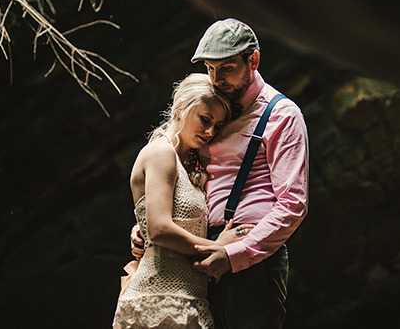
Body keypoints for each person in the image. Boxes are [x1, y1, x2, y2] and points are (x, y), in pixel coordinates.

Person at [132, 18, 310, 328]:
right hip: (194, 253)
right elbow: (177, 178)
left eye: (226, 68)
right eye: (210, 69)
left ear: (252, 60)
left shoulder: (281, 114)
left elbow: (292, 203)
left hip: (250, 255)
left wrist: (233, 255)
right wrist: (147, 226)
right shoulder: (208, 108)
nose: (216, 79)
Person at [113, 73, 254, 329]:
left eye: (218, 125)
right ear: (180, 109)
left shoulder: (191, 165)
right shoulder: (161, 152)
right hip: (160, 299)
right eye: (205, 119)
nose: (211, 131)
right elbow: (158, 229)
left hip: (190, 299)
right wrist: (218, 247)